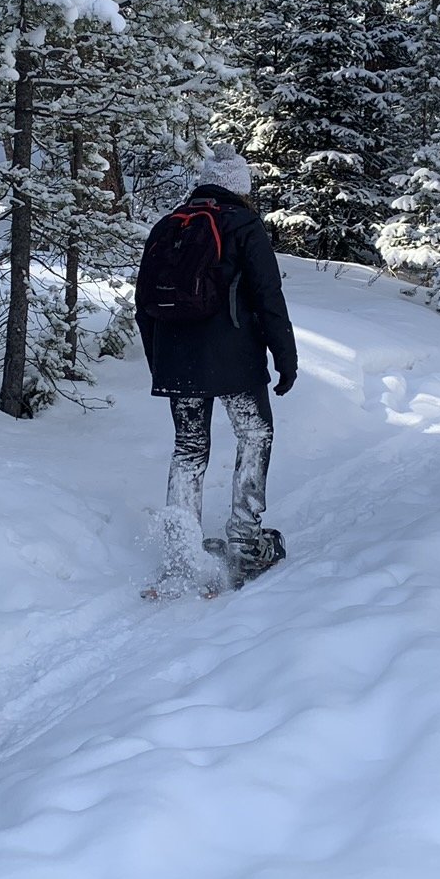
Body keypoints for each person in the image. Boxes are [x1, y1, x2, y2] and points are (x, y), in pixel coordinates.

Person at [136, 148, 299, 582]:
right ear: (240, 186)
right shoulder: (244, 225)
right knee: (255, 435)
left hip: (177, 363)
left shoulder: (167, 226)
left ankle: (181, 552)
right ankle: (246, 542)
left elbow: (143, 305)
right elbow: (268, 298)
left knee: (188, 450)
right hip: (235, 364)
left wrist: (160, 363)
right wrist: (286, 358)